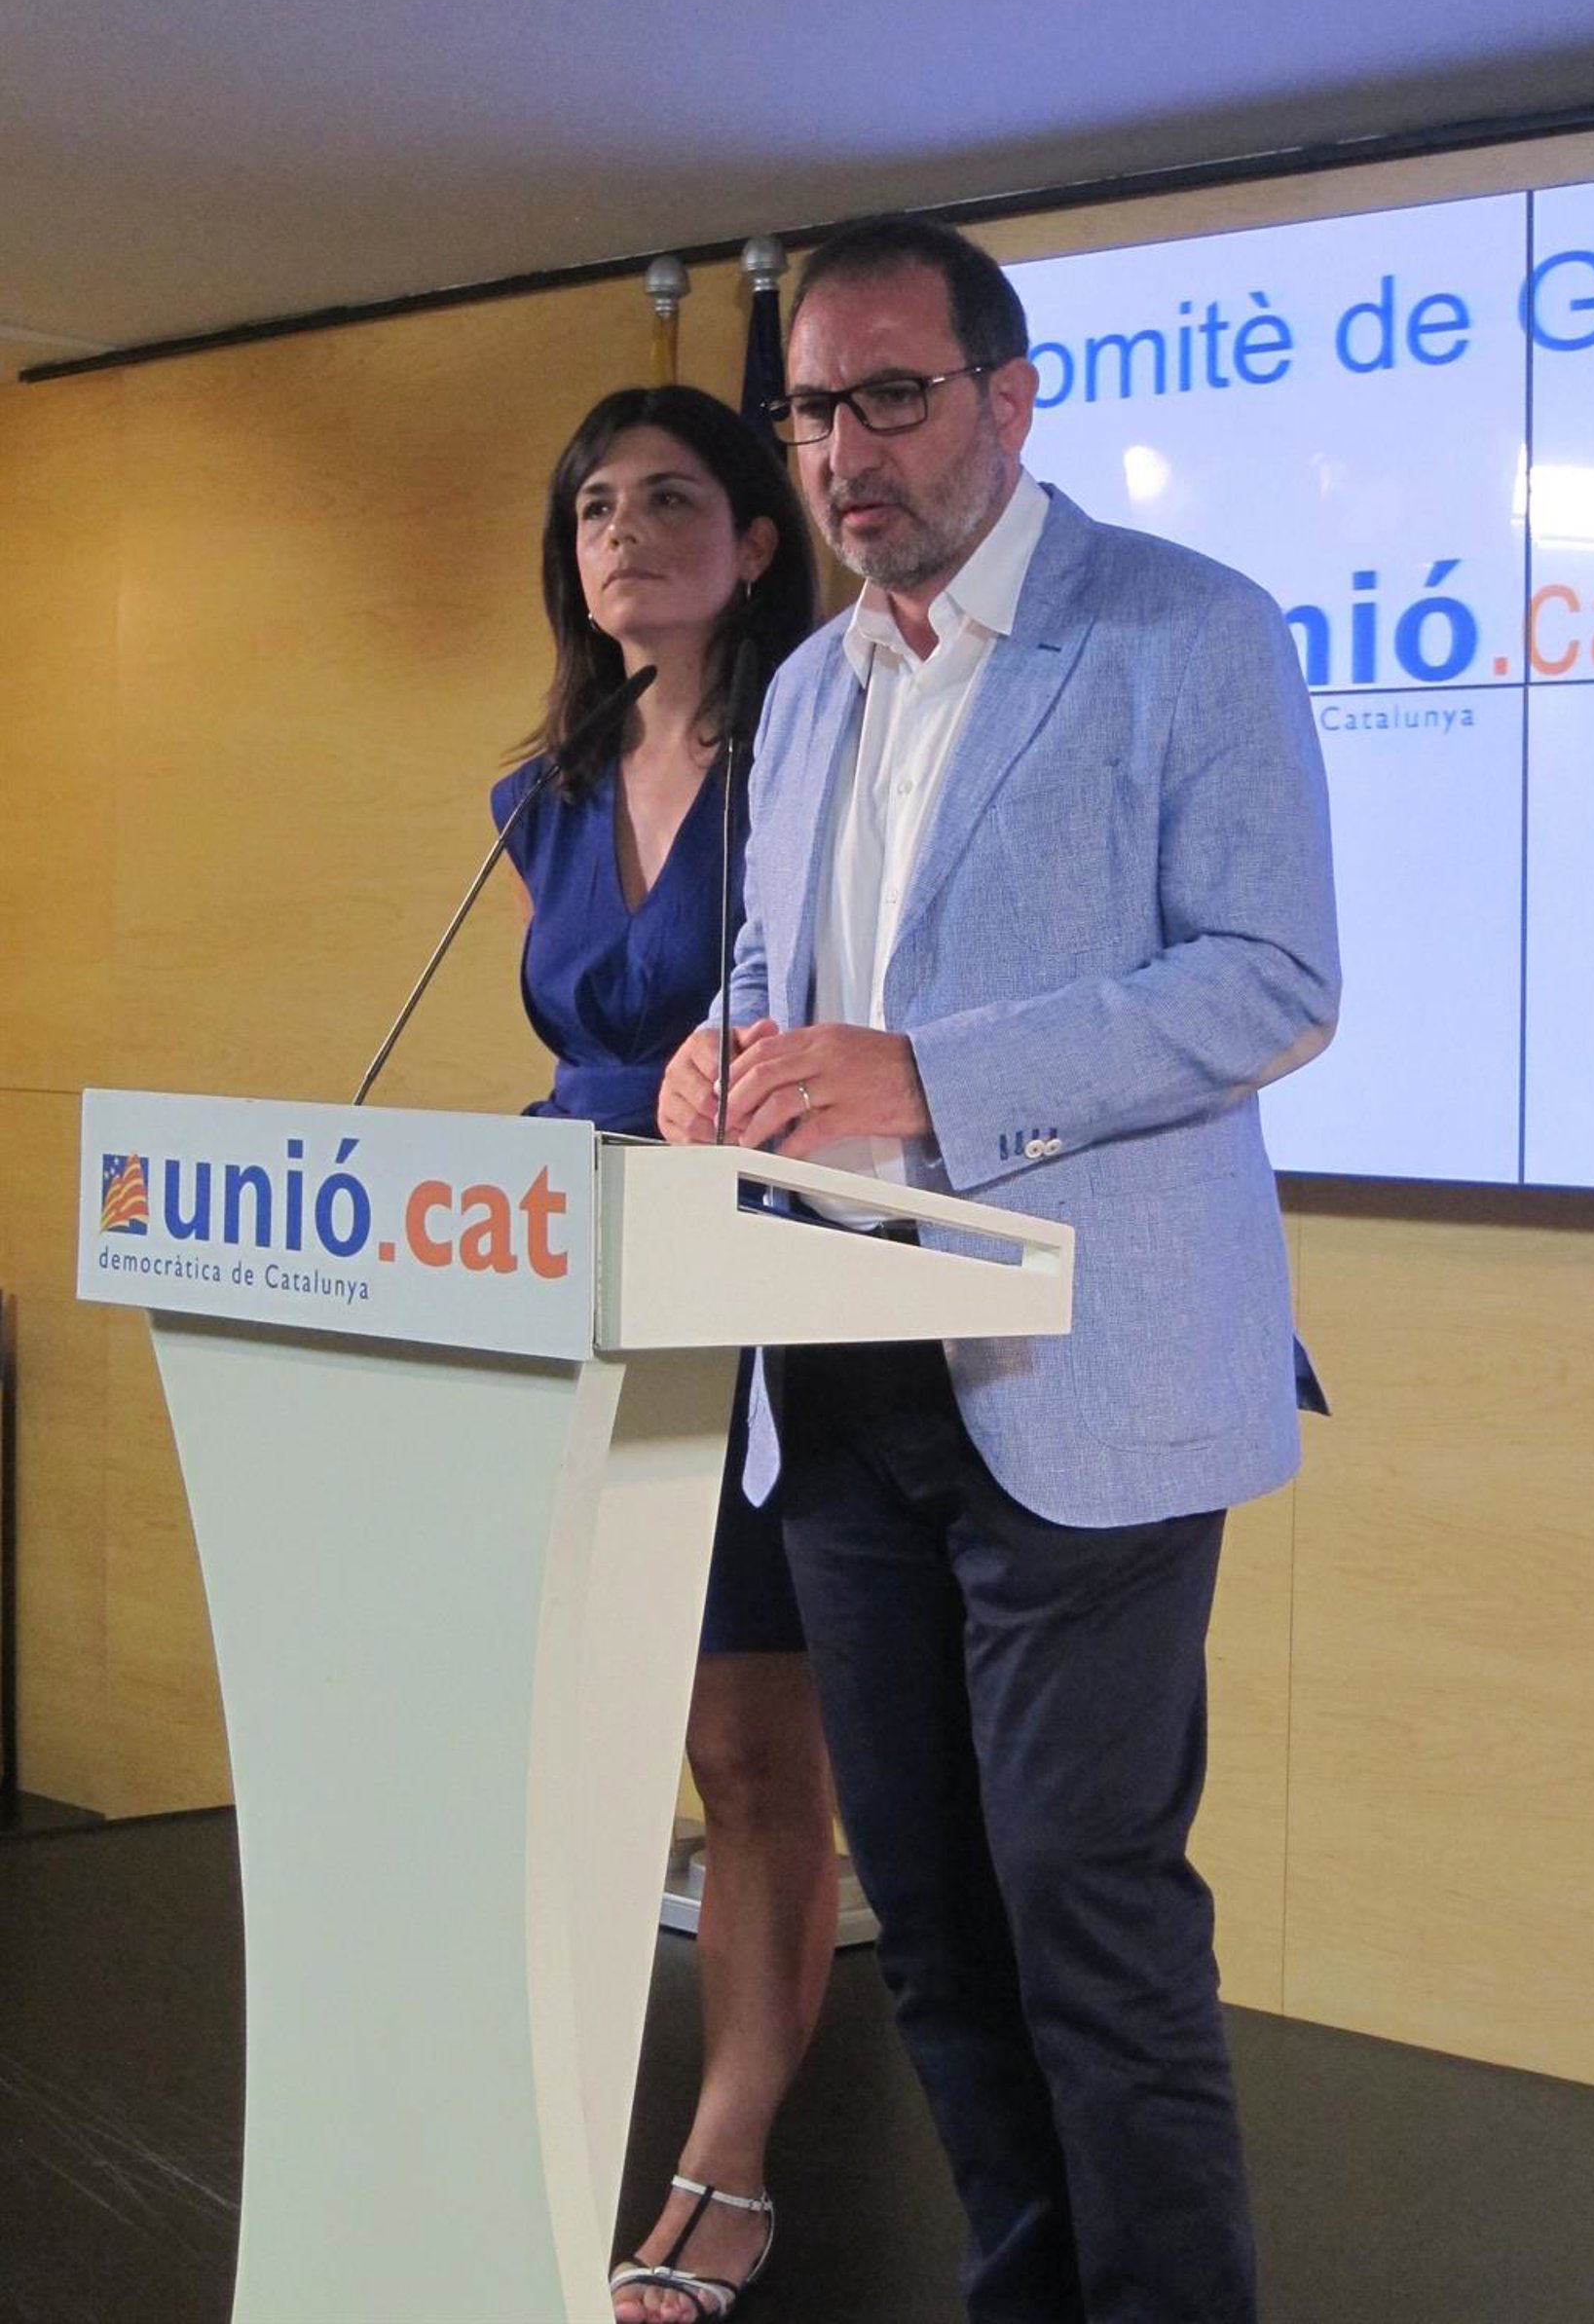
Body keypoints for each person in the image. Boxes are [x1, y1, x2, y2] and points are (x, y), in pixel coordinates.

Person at [658, 215, 1340, 2324]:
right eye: (810, 411)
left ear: (1011, 398)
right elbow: (779, 967)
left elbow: (1272, 976)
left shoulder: (1184, 631)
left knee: (1084, 1916)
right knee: (942, 1932)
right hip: (840, 1381)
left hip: (1087, 1379)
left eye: (889, 395)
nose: (840, 452)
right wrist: (725, 1053)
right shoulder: (804, 683)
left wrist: (932, 1076)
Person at [493, 384, 834, 2324]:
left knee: (745, 1746)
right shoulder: (537, 794)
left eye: (673, 499)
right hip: (573, 1264)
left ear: (759, 541)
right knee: (595, 1738)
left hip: (750, 1273)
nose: (625, 532)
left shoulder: (815, 759)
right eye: (596, 507)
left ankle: (730, 2156)